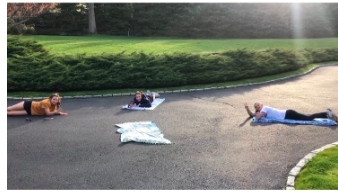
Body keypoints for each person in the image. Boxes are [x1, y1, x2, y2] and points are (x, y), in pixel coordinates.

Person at [244, 102, 338, 123]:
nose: (258, 107)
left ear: (261, 105)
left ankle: (327, 113)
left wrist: (257, 113)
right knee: (307, 117)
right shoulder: (262, 111)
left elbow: (258, 117)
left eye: (258, 106)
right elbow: (252, 116)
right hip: (287, 114)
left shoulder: (265, 108)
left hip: (288, 114)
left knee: (308, 118)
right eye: (256, 107)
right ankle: (327, 114)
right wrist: (247, 108)